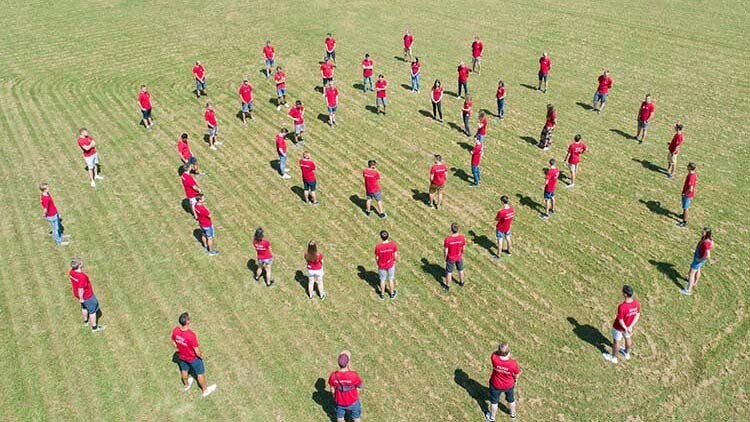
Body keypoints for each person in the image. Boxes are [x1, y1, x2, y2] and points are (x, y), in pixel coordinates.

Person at [171, 312, 217, 397]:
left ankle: (187, 385)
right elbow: (197, 351)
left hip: (182, 356)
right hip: (193, 358)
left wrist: (179, 348)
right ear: (187, 322)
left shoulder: (176, 330)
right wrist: (200, 356)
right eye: (189, 318)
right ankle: (205, 390)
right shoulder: (191, 335)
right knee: (200, 374)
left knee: (184, 370)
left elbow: (173, 342)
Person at [603, 285, 641, 364]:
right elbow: (637, 314)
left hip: (619, 327)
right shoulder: (636, 303)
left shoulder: (622, 307)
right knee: (628, 338)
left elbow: (620, 319)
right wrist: (630, 327)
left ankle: (614, 358)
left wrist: (625, 328)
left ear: (625, 294)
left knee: (616, 342)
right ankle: (626, 353)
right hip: (629, 327)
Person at [68, 257, 105, 332]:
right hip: (87, 296)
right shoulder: (82, 277)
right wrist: (82, 298)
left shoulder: (71, 272)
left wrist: (81, 299)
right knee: (92, 311)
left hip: (77, 294)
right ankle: (94, 328)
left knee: (84, 307)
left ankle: (86, 322)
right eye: (81, 262)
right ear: (79, 265)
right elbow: (81, 289)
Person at [486, 343, 521, 421]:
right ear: (509, 352)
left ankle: (492, 418)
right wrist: (515, 379)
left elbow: (495, 352)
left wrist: (500, 351)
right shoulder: (512, 363)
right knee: (511, 400)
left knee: (494, 402)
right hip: (509, 385)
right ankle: (513, 414)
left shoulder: (494, 358)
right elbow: (517, 373)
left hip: (495, 384)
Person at [328, 351, 363, 422]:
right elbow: (359, 386)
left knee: (340, 418)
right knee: (356, 418)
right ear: (348, 363)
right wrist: (356, 394)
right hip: (353, 401)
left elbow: (332, 389)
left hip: (339, 402)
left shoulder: (333, 376)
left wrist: (334, 397)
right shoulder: (353, 375)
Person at [681, 227, 715, 296]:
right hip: (700, 257)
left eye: (703, 232)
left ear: (707, 234)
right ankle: (695, 283)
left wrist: (699, 259)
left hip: (699, 259)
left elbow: (708, 255)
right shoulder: (709, 239)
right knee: (698, 269)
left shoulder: (706, 242)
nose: (701, 233)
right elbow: (712, 245)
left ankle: (688, 290)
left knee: (692, 274)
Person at [374, 230, 399, 299]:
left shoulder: (378, 247)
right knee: (390, 279)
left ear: (381, 237)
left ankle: (382, 295)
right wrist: (396, 260)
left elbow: (377, 257)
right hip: (390, 265)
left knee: (382, 280)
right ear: (388, 236)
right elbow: (395, 255)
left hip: (381, 266)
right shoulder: (393, 245)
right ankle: (392, 294)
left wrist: (378, 263)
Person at [443, 222, 466, 291]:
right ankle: (461, 283)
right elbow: (464, 248)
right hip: (459, 257)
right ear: (458, 229)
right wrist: (461, 254)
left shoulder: (448, 239)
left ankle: (447, 286)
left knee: (449, 272)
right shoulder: (462, 238)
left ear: (451, 229)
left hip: (450, 258)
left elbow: (446, 250)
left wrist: (445, 257)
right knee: (460, 270)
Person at [678, 162, 697, 227]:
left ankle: (684, 221)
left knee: (685, 208)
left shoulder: (691, 176)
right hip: (688, 194)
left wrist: (685, 194)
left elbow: (690, 188)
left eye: (688, 166)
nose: (687, 166)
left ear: (690, 167)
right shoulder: (693, 174)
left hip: (687, 195)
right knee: (684, 207)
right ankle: (683, 215)